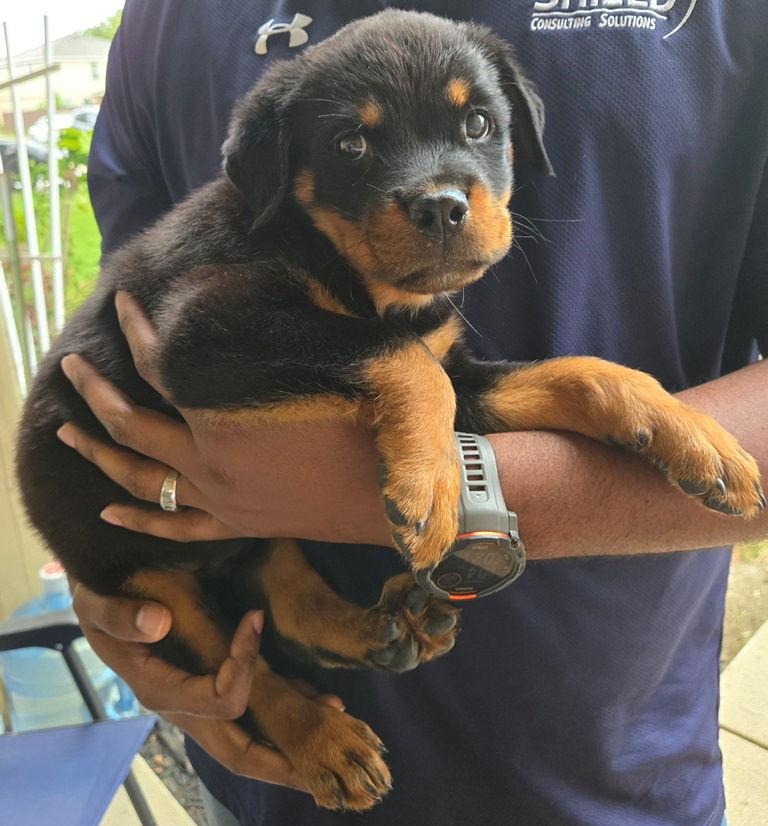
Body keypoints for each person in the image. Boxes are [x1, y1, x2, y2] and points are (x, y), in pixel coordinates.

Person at [56, 2, 768, 824]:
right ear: (282, 176)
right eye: (354, 147)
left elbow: (458, 391)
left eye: (475, 129)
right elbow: (145, 340)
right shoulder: (170, 22)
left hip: (614, 779)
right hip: (268, 779)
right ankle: (294, 665)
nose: (438, 194)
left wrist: (604, 399)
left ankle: (311, 610)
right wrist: (105, 589)